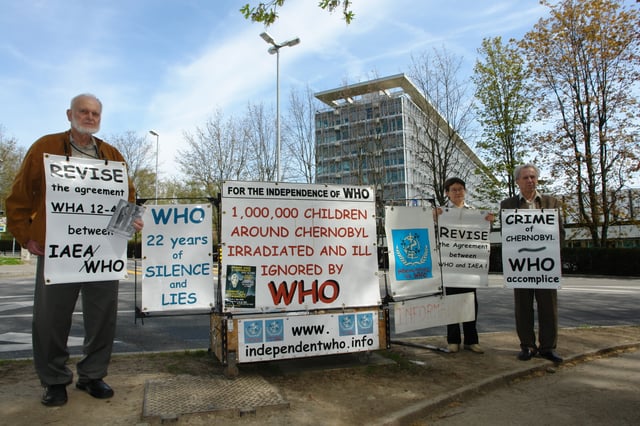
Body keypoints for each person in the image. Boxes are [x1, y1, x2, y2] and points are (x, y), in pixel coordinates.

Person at [5, 94, 144, 406]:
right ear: (70, 114)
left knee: (102, 318)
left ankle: (93, 375)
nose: (90, 117)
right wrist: (27, 236)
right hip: (58, 252)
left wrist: (129, 226)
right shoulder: (45, 148)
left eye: (95, 113)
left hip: (103, 253)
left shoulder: (112, 155)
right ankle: (54, 380)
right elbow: (19, 197)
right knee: (50, 319)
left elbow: (128, 197)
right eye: (84, 111)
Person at [500, 164, 564, 363]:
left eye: (533, 177)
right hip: (520, 266)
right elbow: (506, 234)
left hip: (545, 265)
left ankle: (548, 347)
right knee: (523, 307)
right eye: (526, 177)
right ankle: (527, 345)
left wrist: (554, 256)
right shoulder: (508, 205)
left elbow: (559, 233)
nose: (530, 180)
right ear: (517, 181)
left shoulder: (551, 202)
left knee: (548, 308)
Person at [437, 177, 494, 354]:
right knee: (452, 303)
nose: (457, 192)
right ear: (447, 192)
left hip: (469, 265)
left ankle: (472, 340)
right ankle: (453, 340)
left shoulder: (475, 212)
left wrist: (489, 222)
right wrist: (433, 219)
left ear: (465, 191)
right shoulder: (441, 212)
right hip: (450, 265)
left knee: (470, 303)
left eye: (460, 189)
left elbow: (483, 235)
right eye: (453, 189)